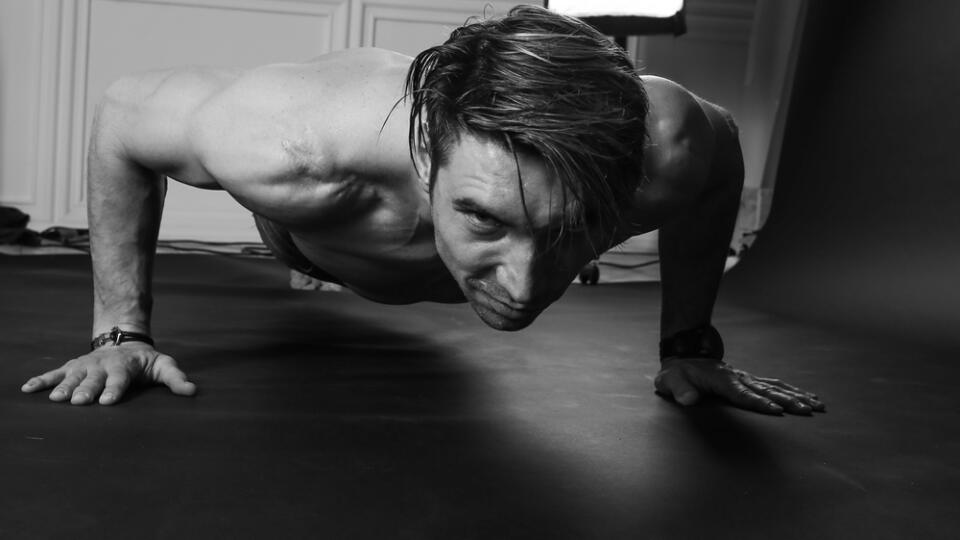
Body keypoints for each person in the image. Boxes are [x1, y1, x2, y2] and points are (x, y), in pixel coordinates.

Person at [20, 5, 823, 415]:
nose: (525, 280)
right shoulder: (292, 148)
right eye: (484, 219)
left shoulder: (672, 144)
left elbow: (717, 166)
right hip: (318, 242)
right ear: (428, 157)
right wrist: (120, 333)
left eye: (570, 227)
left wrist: (690, 344)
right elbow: (122, 116)